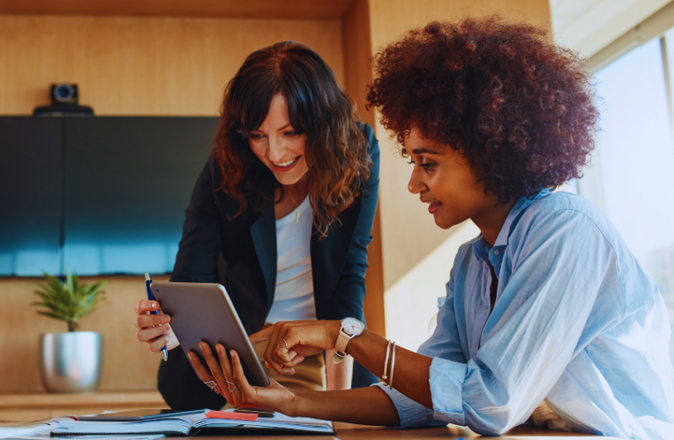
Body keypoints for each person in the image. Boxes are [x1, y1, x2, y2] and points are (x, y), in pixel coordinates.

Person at [188, 16, 674, 440]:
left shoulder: (565, 232)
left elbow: (489, 402)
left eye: (428, 163)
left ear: (489, 152)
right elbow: (418, 399)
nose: (414, 183)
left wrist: (345, 334)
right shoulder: (472, 263)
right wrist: (287, 403)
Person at [133, 41, 381, 410]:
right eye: (258, 135)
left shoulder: (357, 152)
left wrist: (339, 405)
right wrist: (169, 327)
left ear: (324, 124)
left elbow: (349, 276)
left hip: (325, 356)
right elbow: (192, 280)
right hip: (235, 361)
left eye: (291, 132)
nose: (275, 154)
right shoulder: (227, 164)